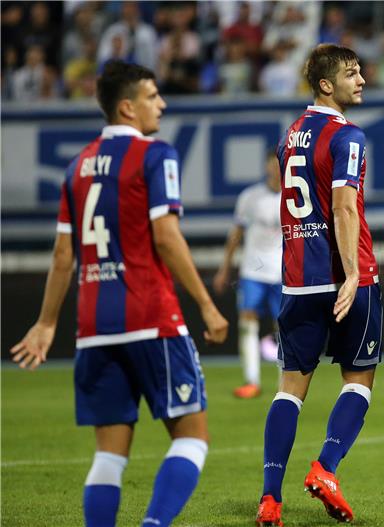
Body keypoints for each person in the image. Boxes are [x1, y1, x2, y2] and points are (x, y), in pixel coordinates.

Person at [9, 60, 228, 527]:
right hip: (151, 317)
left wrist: (47, 322)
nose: (162, 105)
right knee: (192, 436)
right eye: (153, 96)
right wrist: (208, 305)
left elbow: (63, 254)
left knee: (109, 455)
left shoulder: (77, 167)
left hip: (93, 328)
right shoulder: (156, 155)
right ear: (127, 107)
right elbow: (166, 237)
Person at [255, 43, 381, 527]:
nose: (362, 80)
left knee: (289, 391)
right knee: (359, 379)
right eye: (352, 73)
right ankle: (326, 469)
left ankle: (270, 499)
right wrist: (351, 274)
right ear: (327, 84)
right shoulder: (347, 135)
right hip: (349, 275)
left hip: (297, 281)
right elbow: (344, 206)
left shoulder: (291, 136)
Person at [214, 153, 283, 399]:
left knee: (284, 327)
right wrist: (225, 268)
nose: (275, 168)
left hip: (282, 271)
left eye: (279, 162)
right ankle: (251, 380)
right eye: (272, 163)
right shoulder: (250, 197)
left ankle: (284, 383)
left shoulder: (295, 196)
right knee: (247, 322)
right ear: (265, 166)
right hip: (253, 270)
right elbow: (236, 235)